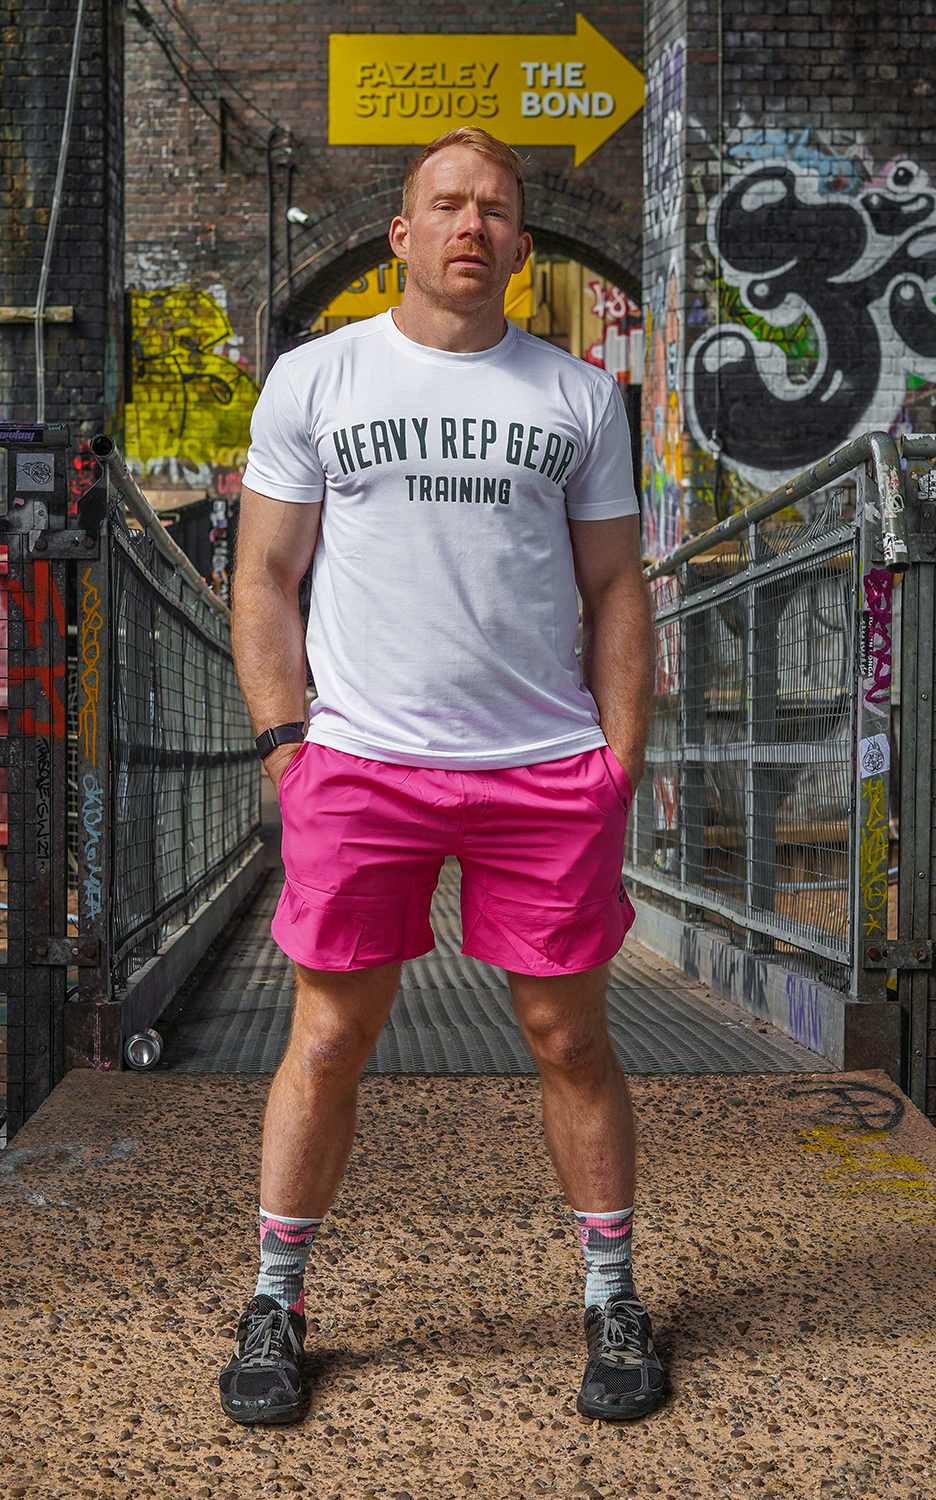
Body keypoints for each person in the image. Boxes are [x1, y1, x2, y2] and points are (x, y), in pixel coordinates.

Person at [223, 126, 661, 1427]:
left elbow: (615, 590)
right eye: (447, 205)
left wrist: (618, 759)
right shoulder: (319, 378)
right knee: (330, 1034)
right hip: (361, 765)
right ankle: (275, 1299)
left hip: (541, 770)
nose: (472, 225)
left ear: (523, 245)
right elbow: (264, 575)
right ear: (401, 236)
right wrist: (286, 744)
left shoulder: (579, 398)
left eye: (497, 209)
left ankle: (612, 1294)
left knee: (569, 1036)